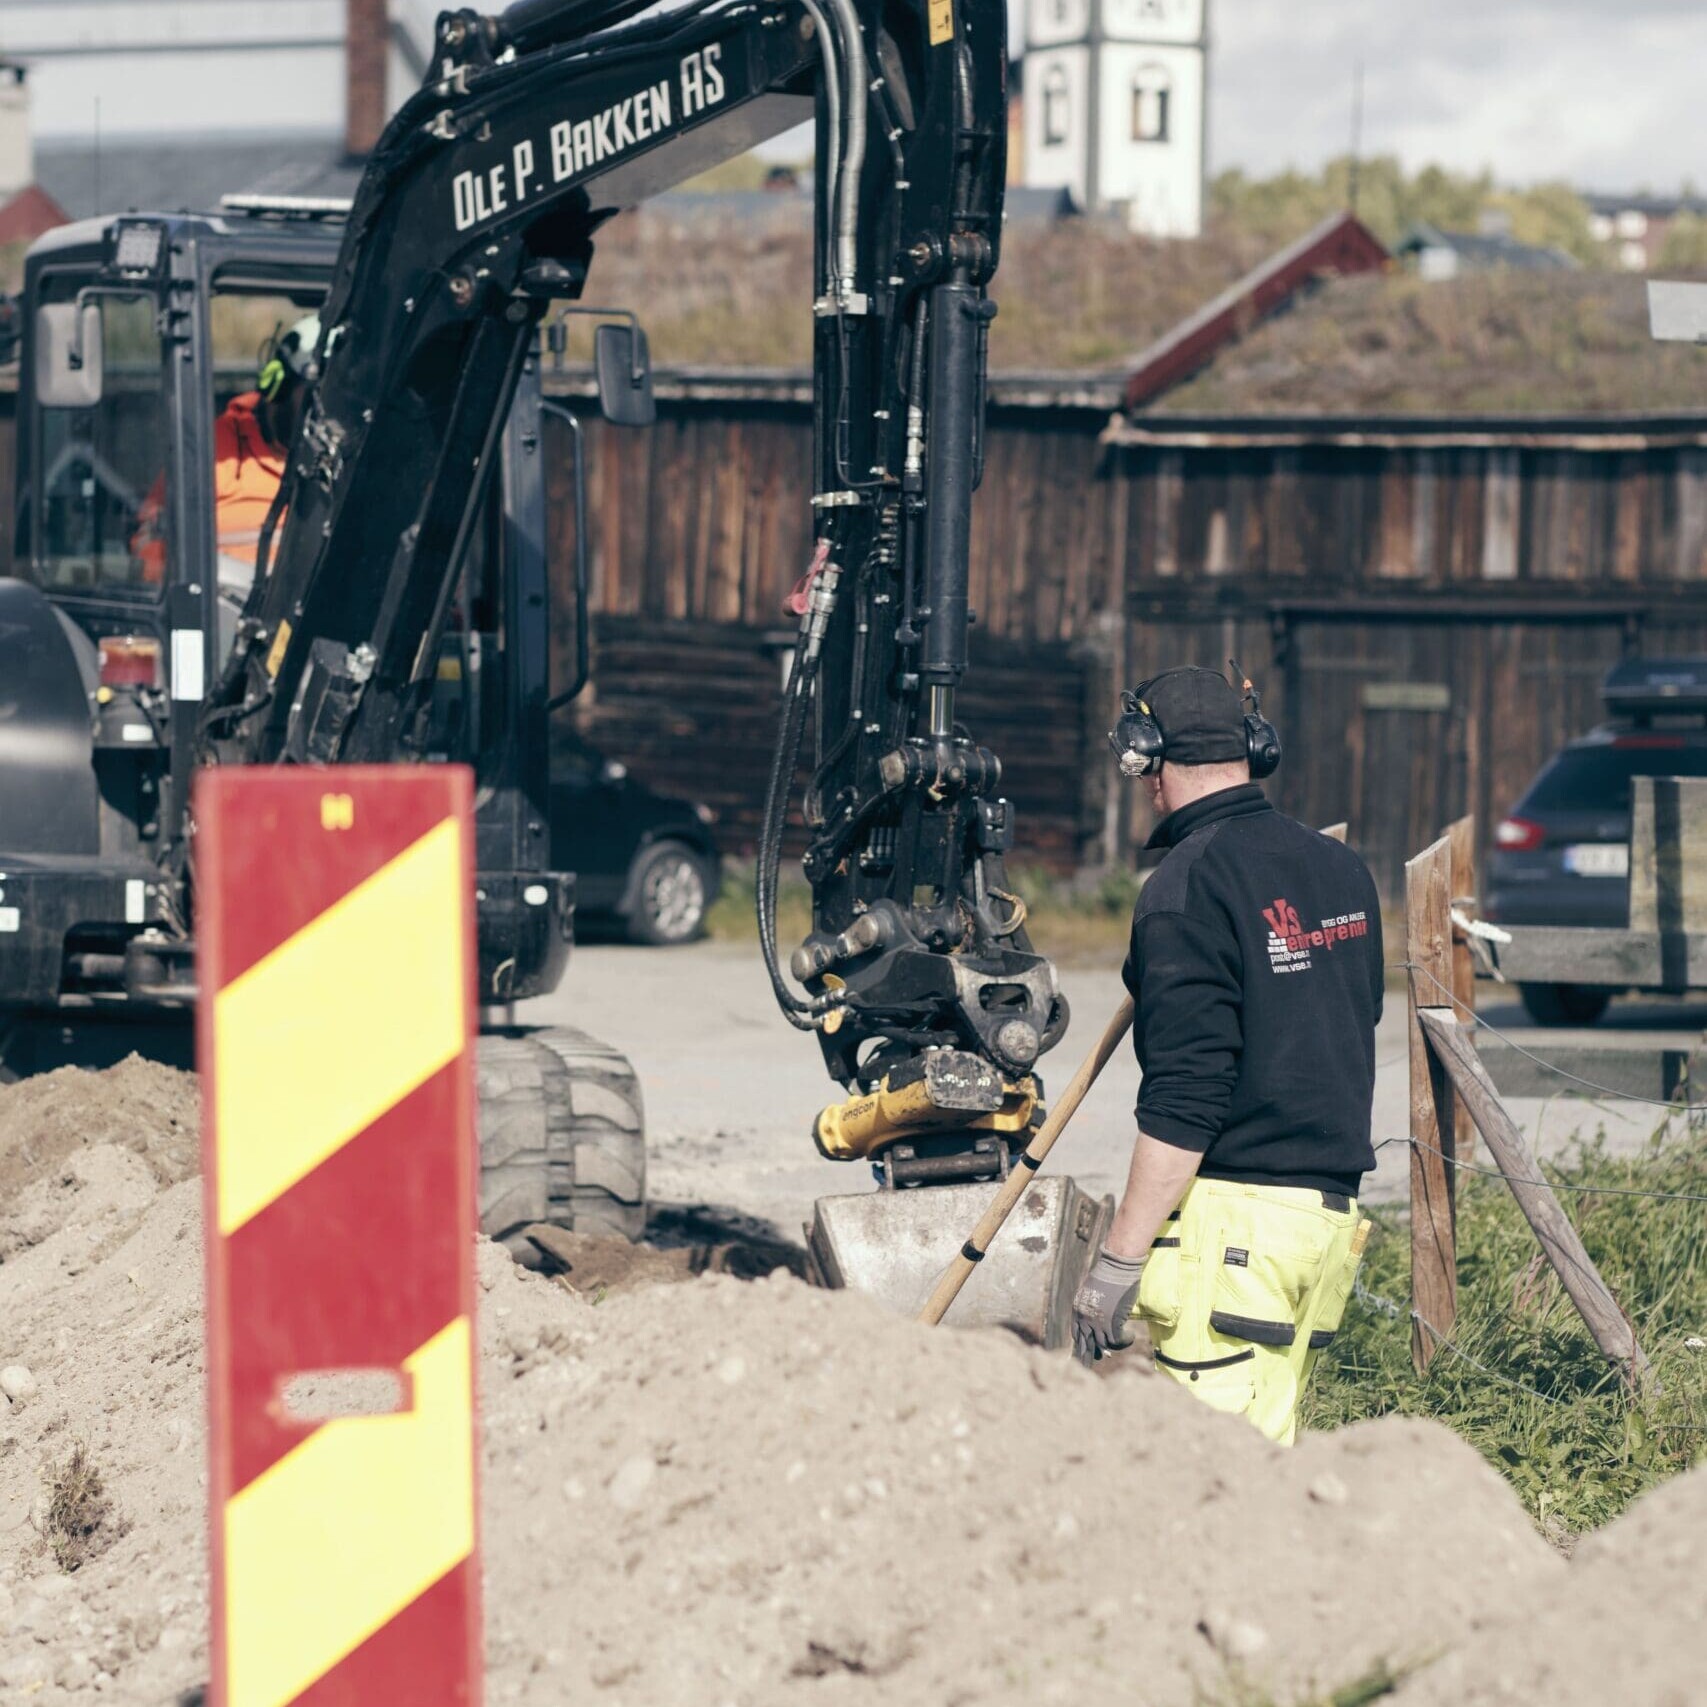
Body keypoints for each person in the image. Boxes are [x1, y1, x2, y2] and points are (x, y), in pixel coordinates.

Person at [1071, 665, 1382, 1446]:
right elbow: (1353, 1014)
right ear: (1251, 749)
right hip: (1322, 1225)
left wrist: (1118, 1258)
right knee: (1266, 1472)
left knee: (1211, 1486)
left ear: (1149, 761)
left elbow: (1185, 1098)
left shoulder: (1184, 887)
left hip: (1234, 1231)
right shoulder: (1340, 870)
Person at [133, 312, 318, 594]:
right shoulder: (213, 451)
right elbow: (149, 546)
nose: (320, 413)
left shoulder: (344, 460)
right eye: (312, 395)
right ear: (279, 386)